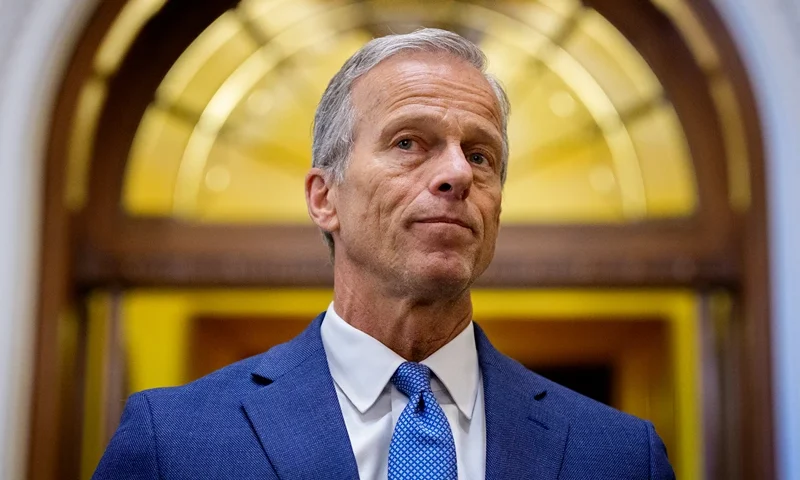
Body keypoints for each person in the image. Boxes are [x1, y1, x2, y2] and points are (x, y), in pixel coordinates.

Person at [94, 28, 674, 479]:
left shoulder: (619, 456)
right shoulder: (174, 441)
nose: (455, 174)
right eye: (408, 142)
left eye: (480, 156)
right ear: (325, 199)